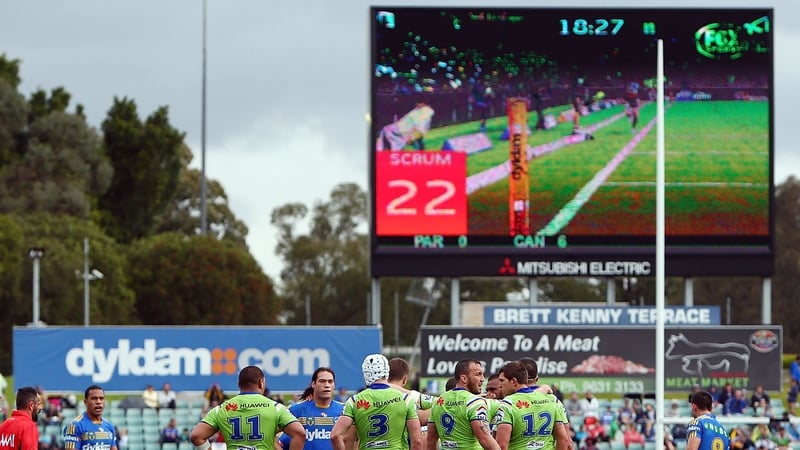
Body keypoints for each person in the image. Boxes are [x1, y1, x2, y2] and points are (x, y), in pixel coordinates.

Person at [190, 365, 306, 450]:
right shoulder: (275, 408)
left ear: (239, 385)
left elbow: (196, 436)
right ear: (261, 382)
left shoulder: (222, 409)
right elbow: (299, 433)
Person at [330, 354, 422, 450]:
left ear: (365, 374)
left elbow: (335, 436)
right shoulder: (405, 399)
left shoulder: (354, 401)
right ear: (387, 371)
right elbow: (417, 441)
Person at [494, 361, 571, 450]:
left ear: (514, 381)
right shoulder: (550, 401)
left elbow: (502, 445)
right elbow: (564, 439)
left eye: (502, 381)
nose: (499, 385)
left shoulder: (508, 404)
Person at [427, 358, 499, 450]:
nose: (482, 379)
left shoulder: (439, 401)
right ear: (464, 378)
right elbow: (485, 440)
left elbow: (431, 441)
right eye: (478, 374)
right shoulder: (474, 402)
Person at [278, 367, 350, 450]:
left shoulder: (344, 410)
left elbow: (355, 438)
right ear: (313, 384)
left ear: (334, 385)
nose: (327, 385)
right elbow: (270, 431)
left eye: (330, 381)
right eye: (322, 381)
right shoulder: (297, 410)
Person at [63, 385, 118, 450]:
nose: (98, 402)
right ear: (86, 402)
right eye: (94, 398)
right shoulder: (74, 426)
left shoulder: (109, 426)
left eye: (101, 398)